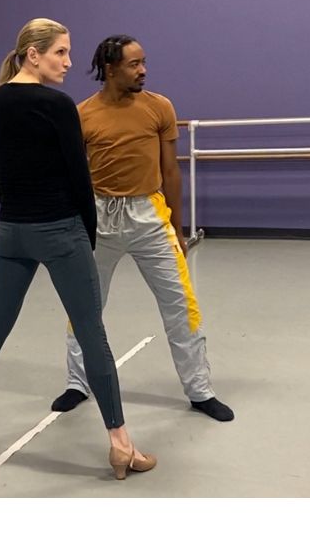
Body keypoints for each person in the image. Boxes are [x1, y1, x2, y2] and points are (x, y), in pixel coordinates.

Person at [0, 19, 156, 480]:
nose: (67, 62)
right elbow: (79, 177)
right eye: (60, 52)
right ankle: (122, 445)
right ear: (33, 54)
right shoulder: (57, 105)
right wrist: (86, 233)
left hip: (11, 232)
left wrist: (17, 213)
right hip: (60, 229)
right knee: (92, 333)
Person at [49, 34, 234, 423]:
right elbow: (71, 176)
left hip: (149, 216)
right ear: (110, 69)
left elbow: (171, 170)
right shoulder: (82, 114)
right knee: (84, 305)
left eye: (143, 62)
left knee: (181, 305)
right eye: (134, 64)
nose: (143, 70)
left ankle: (200, 391)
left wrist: (178, 228)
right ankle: (77, 383)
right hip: (98, 217)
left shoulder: (159, 107)